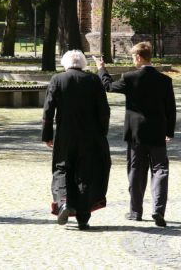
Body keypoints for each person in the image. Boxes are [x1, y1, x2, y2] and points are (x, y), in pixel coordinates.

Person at [93, 41, 176, 227]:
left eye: (132, 56)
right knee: (160, 170)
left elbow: (108, 86)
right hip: (157, 131)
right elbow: (171, 109)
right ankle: (158, 210)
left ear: (138, 57)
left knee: (136, 170)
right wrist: (169, 131)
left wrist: (101, 69)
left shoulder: (129, 77)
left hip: (136, 132)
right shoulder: (165, 80)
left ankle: (136, 211)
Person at [42, 50, 111, 230]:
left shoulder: (58, 80)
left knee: (62, 168)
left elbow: (48, 111)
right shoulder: (94, 80)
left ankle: (64, 202)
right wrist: (102, 132)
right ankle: (83, 216)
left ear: (65, 64)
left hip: (65, 133)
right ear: (83, 64)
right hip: (90, 135)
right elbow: (104, 111)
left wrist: (47, 135)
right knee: (85, 171)